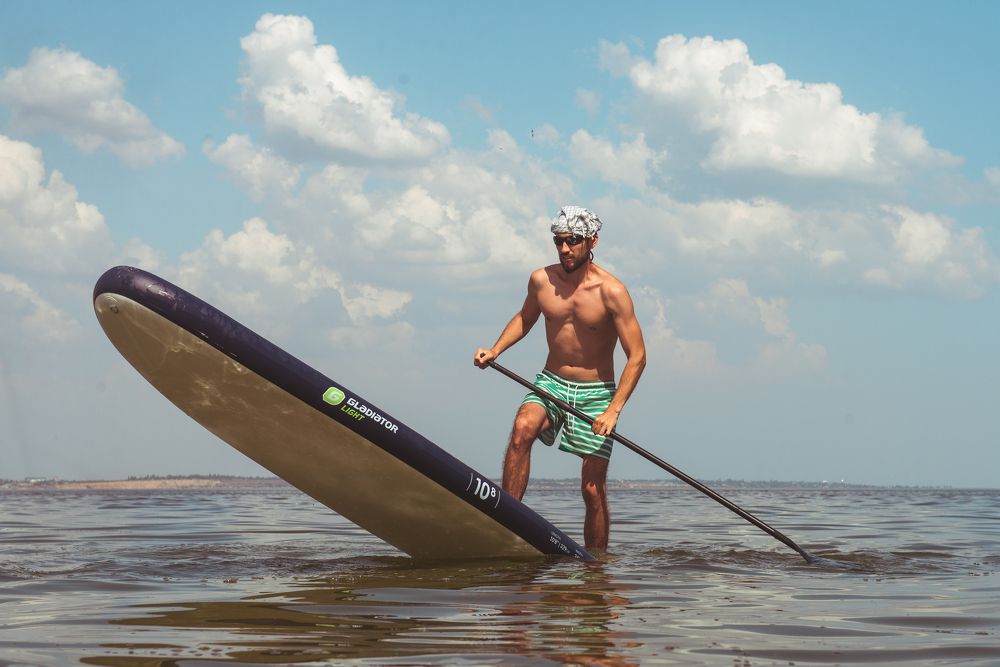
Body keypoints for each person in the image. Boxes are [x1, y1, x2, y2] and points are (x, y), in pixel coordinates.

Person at [474, 206, 646, 552]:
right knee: (523, 428)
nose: (565, 249)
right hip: (552, 382)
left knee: (592, 489)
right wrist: (495, 350)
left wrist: (613, 410)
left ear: (592, 241)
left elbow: (637, 356)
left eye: (573, 241)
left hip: (597, 393)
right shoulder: (542, 280)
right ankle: (507, 523)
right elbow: (525, 318)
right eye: (558, 241)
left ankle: (596, 565)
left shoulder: (612, 291)